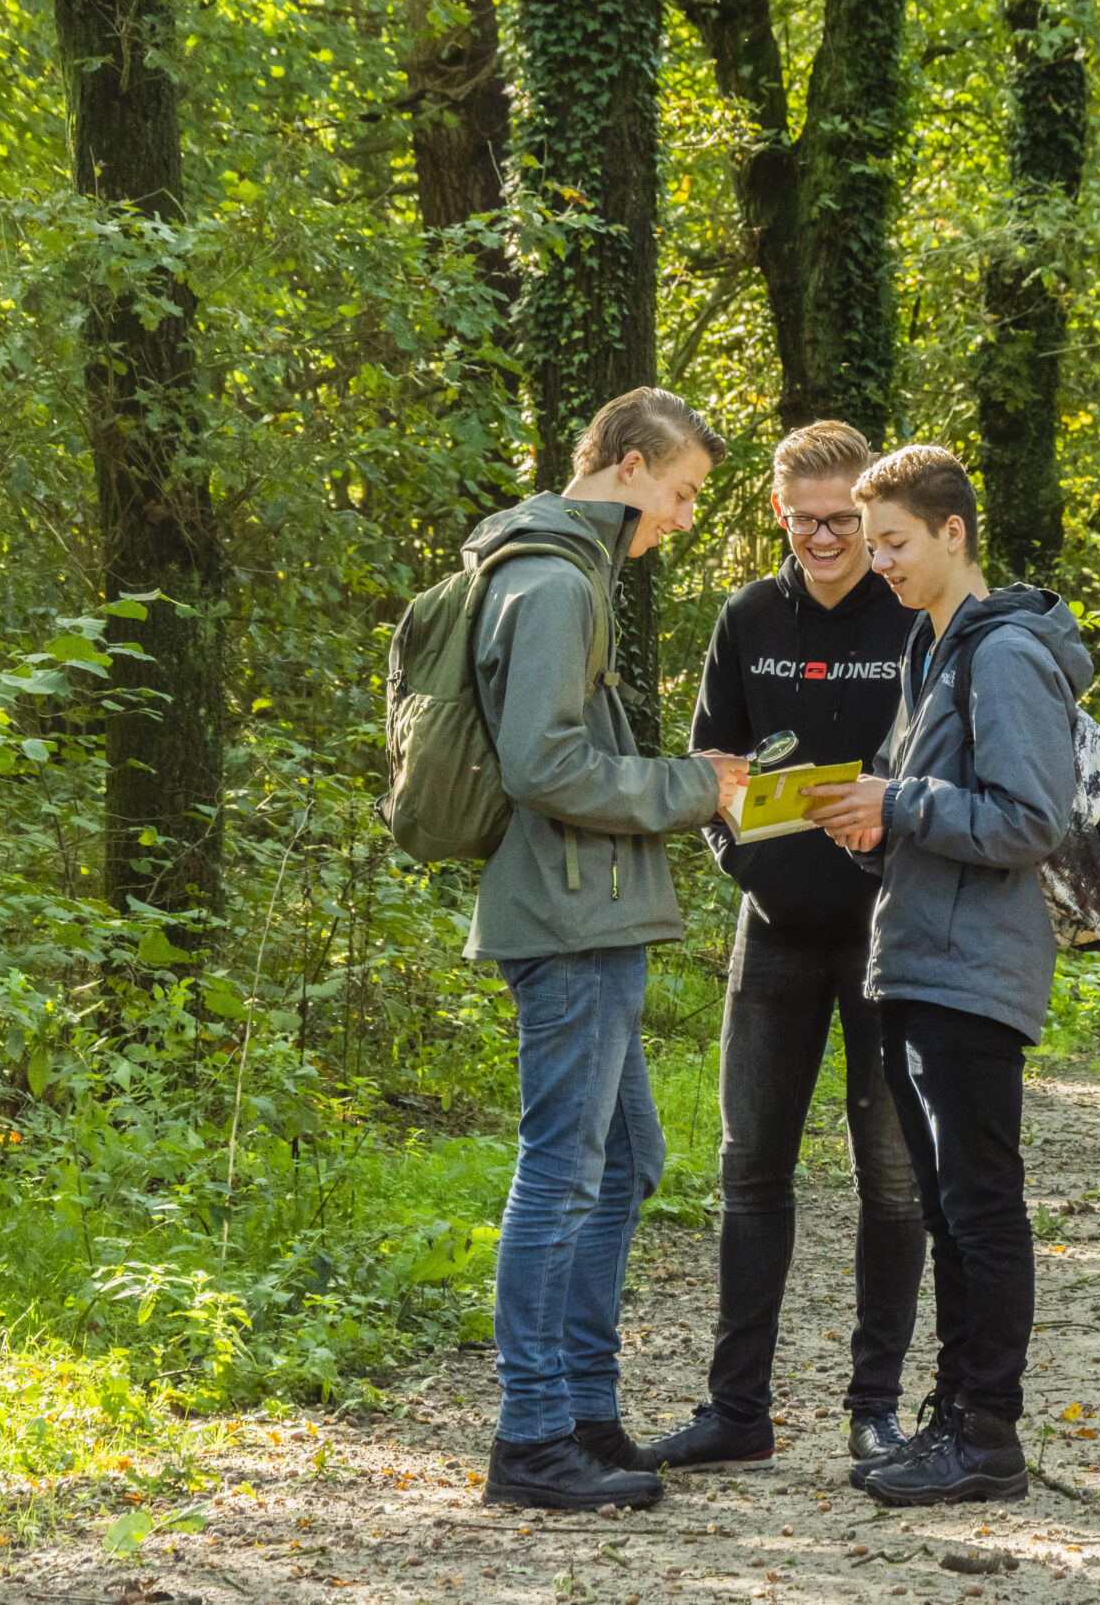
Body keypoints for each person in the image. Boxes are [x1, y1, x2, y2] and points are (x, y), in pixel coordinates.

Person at [464, 387, 751, 1512]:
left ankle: (582, 1411)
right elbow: (540, 766)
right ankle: (531, 1438)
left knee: (625, 1166)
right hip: (568, 919)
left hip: (593, 912)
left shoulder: (562, 571)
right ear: (629, 466)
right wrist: (696, 786)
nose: (684, 517)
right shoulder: (547, 582)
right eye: (681, 492)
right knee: (563, 1172)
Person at [802, 444, 1091, 1506]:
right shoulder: (933, 650)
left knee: (980, 1209)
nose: (874, 562)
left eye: (891, 543)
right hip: (918, 957)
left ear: (951, 533)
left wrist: (900, 806)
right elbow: (933, 807)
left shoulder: (1003, 656)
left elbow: (1029, 820)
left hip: (975, 972)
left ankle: (988, 1438)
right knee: (945, 1209)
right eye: (869, 544)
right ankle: (953, 1420)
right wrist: (870, 826)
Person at [646, 422, 928, 1473]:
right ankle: (737, 1410)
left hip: (888, 936)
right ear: (776, 513)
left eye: (842, 520)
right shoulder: (748, 615)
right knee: (749, 1170)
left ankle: (875, 1408)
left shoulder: (913, 617)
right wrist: (741, 862)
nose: (823, 537)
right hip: (771, 933)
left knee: (893, 1179)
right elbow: (706, 765)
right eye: (803, 519)